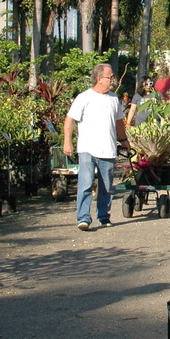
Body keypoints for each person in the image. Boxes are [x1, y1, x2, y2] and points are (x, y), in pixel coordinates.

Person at [62, 63, 129, 231]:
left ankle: (103, 216)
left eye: (112, 77)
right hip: (87, 149)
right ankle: (83, 218)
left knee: (106, 187)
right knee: (85, 184)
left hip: (108, 149)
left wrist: (124, 140)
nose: (113, 80)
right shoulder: (84, 97)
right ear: (99, 79)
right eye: (110, 77)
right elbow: (70, 119)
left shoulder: (114, 98)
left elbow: (119, 122)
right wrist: (67, 141)